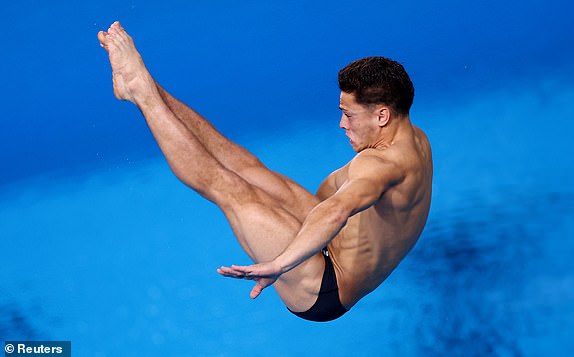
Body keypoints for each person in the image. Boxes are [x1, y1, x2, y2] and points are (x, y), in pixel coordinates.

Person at [97, 21, 432, 322]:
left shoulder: (379, 165)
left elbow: (337, 209)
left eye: (349, 114)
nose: (341, 124)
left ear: (382, 116)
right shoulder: (415, 138)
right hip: (333, 242)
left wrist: (281, 263)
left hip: (324, 286)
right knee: (246, 166)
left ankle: (141, 92)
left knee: (226, 187)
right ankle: (142, 85)